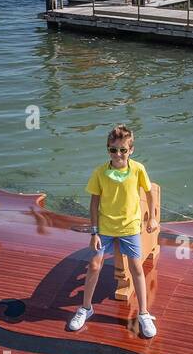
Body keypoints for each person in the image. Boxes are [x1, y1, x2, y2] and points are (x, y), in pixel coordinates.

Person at [66, 124, 160, 339]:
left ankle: (144, 313)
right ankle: (86, 308)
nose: (118, 154)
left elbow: (149, 192)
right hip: (105, 229)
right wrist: (94, 232)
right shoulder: (100, 172)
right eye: (113, 150)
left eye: (123, 150)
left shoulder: (138, 169)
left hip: (129, 228)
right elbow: (93, 203)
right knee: (94, 264)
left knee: (136, 267)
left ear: (131, 150)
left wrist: (153, 217)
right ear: (107, 149)